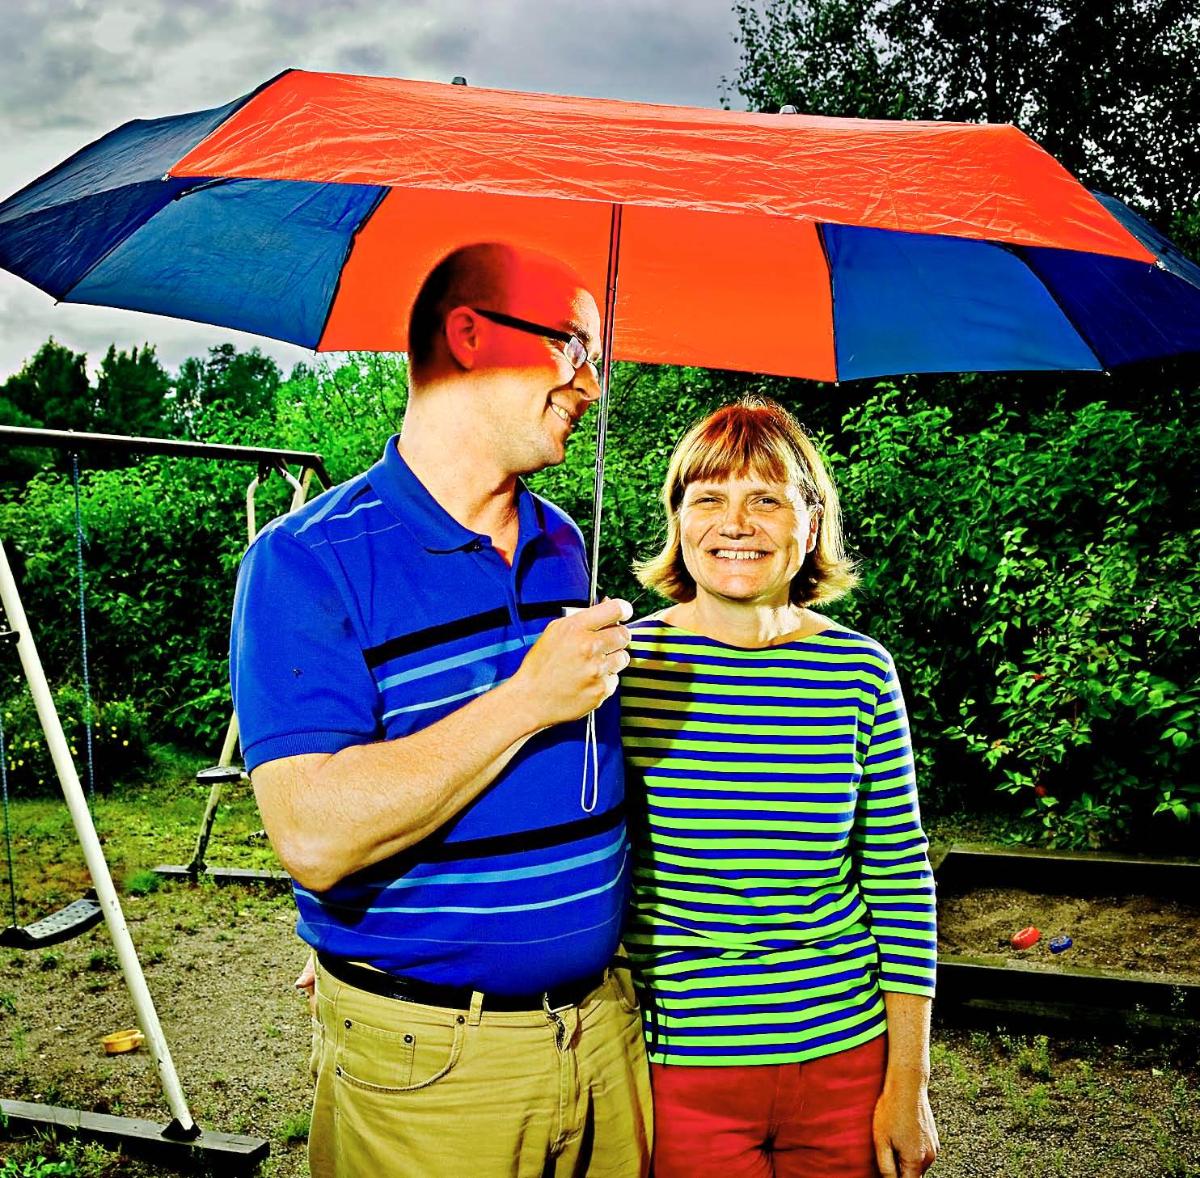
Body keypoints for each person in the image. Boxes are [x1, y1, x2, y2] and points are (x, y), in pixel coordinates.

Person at [230, 242, 651, 1178]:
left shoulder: (564, 542)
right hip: (436, 1068)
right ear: (469, 335)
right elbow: (313, 835)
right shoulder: (304, 560)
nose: (593, 383)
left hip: (607, 1037)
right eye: (575, 347)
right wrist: (525, 701)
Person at [621, 397, 938, 1178]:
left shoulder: (859, 671)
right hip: (678, 1067)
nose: (737, 524)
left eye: (767, 498)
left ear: (811, 520)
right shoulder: (616, 667)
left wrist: (910, 1081)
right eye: (709, 499)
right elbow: (534, 826)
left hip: (845, 1063)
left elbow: (899, 882)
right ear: (677, 521)